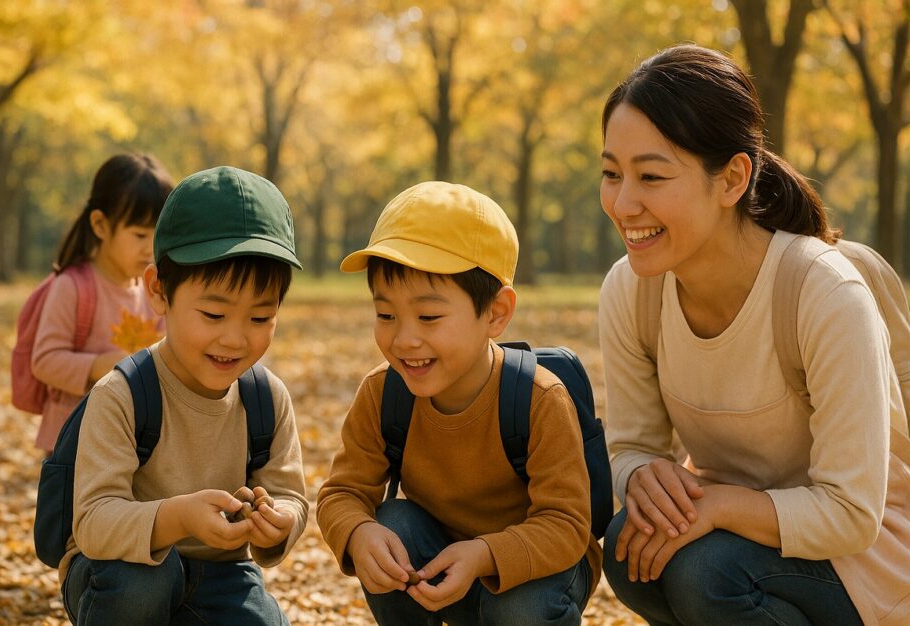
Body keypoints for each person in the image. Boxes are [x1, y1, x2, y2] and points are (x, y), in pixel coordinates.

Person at [598, 44, 910, 625]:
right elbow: (630, 446)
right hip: (740, 538)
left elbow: (851, 513)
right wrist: (643, 478)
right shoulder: (632, 290)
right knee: (630, 545)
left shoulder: (822, 293)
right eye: (611, 174)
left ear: (733, 178)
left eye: (651, 175)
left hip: (865, 563)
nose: (623, 203)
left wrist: (718, 505)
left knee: (707, 573)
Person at [317, 181, 600, 625]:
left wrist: (485, 554)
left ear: (496, 313)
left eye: (429, 316)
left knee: (518, 606)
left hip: (538, 573)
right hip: (438, 562)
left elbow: (565, 526)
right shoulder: (384, 394)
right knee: (390, 523)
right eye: (385, 314)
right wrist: (358, 532)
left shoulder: (538, 400)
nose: (404, 338)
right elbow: (342, 493)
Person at [60, 166, 309, 625]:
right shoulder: (124, 394)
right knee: (143, 584)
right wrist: (178, 518)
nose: (235, 340)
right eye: (214, 314)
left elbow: (291, 496)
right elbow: (94, 523)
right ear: (159, 290)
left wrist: (280, 522)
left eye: (260, 318)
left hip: (221, 572)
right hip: (119, 571)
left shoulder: (265, 398)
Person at [30, 153, 174, 454]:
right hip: (72, 440)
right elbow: (44, 361)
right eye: (139, 234)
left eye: (157, 235)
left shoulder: (153, 291)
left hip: (130, 438)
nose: (150, 248)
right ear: (100, 224)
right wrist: (100, 365)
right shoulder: (72, 287)